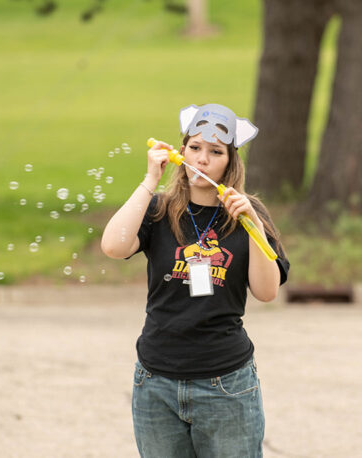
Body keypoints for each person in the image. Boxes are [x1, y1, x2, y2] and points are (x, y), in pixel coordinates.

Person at [101, 103, 289, 457]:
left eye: (215, 151)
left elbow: (266, 292)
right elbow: (113, 246)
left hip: (226, 383)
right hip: (156, 381)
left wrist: (253, 225)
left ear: (230, 162)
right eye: (194, 148)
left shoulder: (250, 215)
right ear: (181, 152)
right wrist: (149, 181)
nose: (202, 159)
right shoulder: (158, 210)